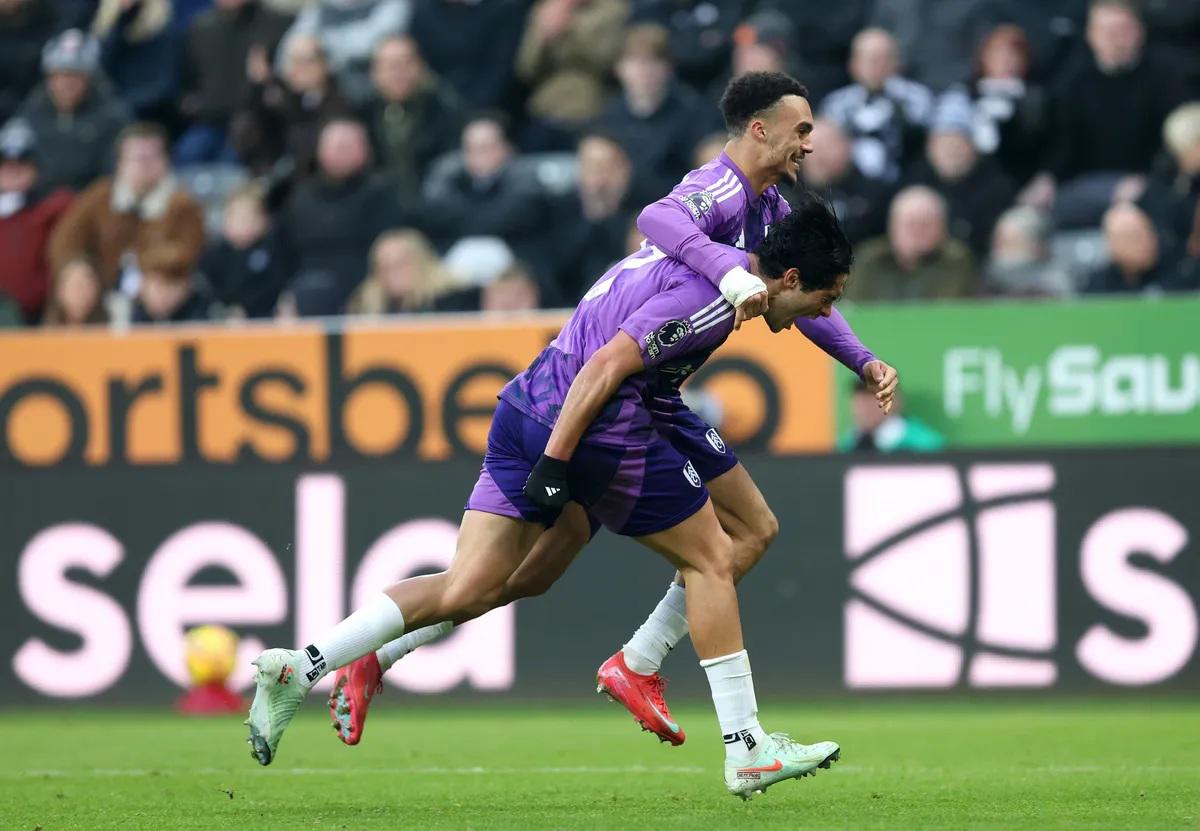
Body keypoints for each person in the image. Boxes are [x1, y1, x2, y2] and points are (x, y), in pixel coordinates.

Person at [327, 72, 896, 751]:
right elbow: (656, 218)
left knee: (730, 534)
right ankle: (722, 728)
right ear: (759, 130)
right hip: (612, 389)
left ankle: (633, 661)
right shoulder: (719, 189)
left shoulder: (770, 210)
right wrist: (725, 269)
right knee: (688, 556)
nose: (810, 142)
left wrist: (861, 359)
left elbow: (803, 294)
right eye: (801, 129)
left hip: (651, 389)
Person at [245, 204, 863, 800]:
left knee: (476, 584)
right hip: (591, 423)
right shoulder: (711, 299)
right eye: (825, 298)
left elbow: (658, 233)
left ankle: (307, 665)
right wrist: (556, 461)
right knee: (711, 558)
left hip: (527, 402)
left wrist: (861, 359)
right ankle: (741, 742)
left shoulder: (702, 240)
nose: (824, 312)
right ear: (789, 277)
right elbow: (606, 366)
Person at [47, 122, 206, 293]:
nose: (143, 165)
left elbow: (188, 251)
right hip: (101, 294)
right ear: (120, 162)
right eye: (136, 158)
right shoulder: (100, 197)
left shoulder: (183, 204)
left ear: (165, 161)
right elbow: (64, 243)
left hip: (161, 295)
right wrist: (79, 268)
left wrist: (147, 265)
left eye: (151, 157)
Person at [16, 29, 131, 191]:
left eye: (75, 75)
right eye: (61, 74)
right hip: (38, 199)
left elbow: (113, 175)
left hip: (88, 198)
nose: (67, 83)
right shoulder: (31, 111)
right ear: (49, 78)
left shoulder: (113, 117)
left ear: (90, 78)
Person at [819, 27, 934, 183]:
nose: (878, 66)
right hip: (851, 186)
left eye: (885, 58)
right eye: (870, 59)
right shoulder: (836, 104)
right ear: (853, 64)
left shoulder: (918, 99)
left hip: (908, 182)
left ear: (898, 63)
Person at [360, 35, 464, 196]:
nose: (397, 72)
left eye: (405, 63)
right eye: (389, 65)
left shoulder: (444, 108)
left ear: (420, 66)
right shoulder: (361, 115)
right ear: (374, 72)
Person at [0, 118, 74, 323]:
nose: (13, 170)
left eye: (23, 163)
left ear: (37, 169)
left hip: (41, 317)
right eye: (5, 164)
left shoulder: (55, 208)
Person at [849, 185, 977, 300]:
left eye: (925, 224)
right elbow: (852, 307)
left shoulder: (957, 260)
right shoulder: (869, 259)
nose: (917, 232)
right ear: (893, 226)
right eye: (910, 224)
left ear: (943, 228)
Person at [198, 183, 291, 318]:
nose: (241, 223)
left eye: (248, 217)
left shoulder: (274, 249)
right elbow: (209, 290)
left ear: (264, 220)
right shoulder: (213, 254)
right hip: (224, 320)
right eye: (235, 216)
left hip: (265, 318)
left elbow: (275, 286)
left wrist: (247, 308)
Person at [41, 257, 109, 326]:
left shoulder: (109, 327)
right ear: (60, 291)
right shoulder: (46, 330)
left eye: (87, 286)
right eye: (76, 286)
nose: (81, 294)